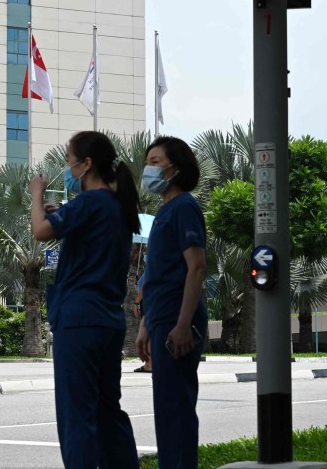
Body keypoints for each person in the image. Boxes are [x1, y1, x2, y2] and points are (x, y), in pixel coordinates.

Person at [30, 131, 140, 469]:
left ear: (86, 164)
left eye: (68, 159)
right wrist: (60, 212)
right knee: (108, 408)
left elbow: (41, 231)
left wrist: (36, 196)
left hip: (79, 320)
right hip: (108, 320)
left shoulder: (88, 203)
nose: (67, 167)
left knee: (76, 411)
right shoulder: (115, 207)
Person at [135, 136, 208, 469]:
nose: (147, 168)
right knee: (166, 410)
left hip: (178, 323)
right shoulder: (165, 211)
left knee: (176, 411)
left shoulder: (184, 207)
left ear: (175, 168)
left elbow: (196, 267)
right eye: (147, 161)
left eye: (155, 161)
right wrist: (146, 324)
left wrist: (182, 325)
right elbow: (157, 275)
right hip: (161, 319)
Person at [133, 273, 151, 373]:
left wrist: (136, 303)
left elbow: (145, 287)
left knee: (148, 334)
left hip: (147, 302)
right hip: (147, 302)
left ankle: (149, 364)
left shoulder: (153, 262)